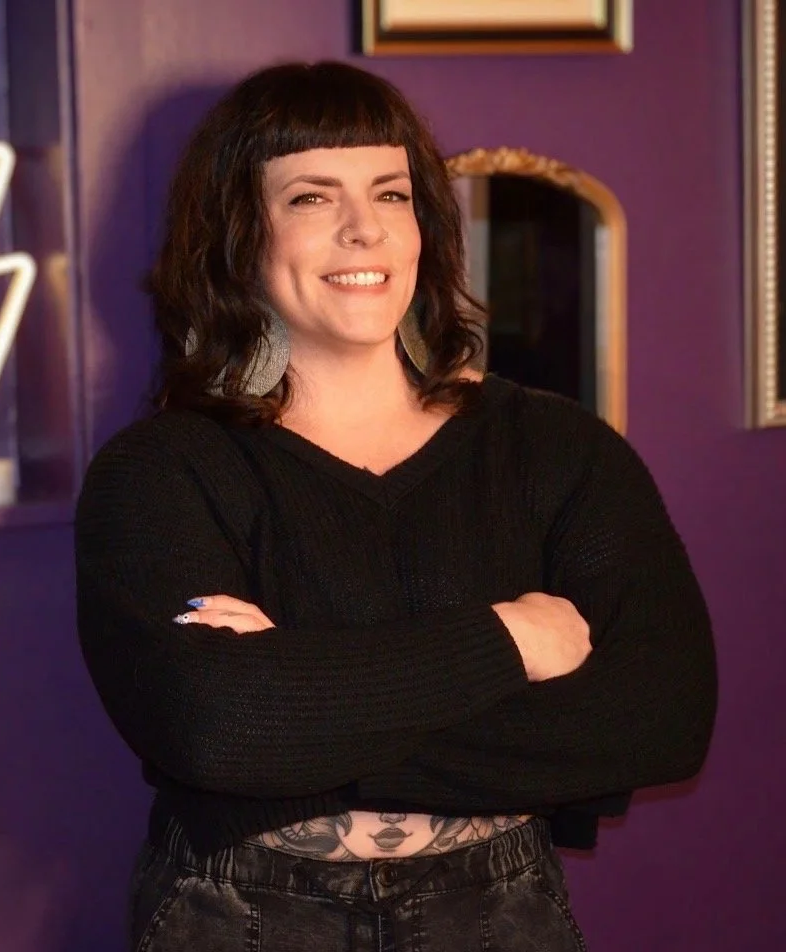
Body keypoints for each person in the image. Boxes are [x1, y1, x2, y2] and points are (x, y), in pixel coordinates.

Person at [75, 60, 717, 952]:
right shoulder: (161, 470)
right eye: (311, 197)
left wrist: (301, 707)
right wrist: (510, 641)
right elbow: (212, 726)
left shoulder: (555, 448)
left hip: (501, 914)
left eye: (391, 193)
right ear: (235, 234)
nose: (364, 229)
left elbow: (661, 720)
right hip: (239, 917)